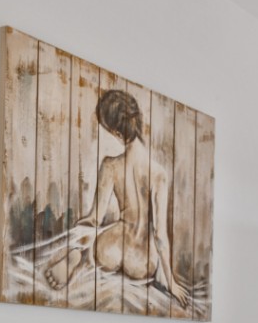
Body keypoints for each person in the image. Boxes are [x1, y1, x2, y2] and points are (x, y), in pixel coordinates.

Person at [44, 88, 189, 308]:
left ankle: (81, 254)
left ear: (116, 132)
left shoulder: (110, 165)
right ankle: (85, 256)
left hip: (110, 248)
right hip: (142, 260)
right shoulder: (158, 174)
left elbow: (95, 218)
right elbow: (160, 235)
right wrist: (171, 281)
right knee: (148, 255)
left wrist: (82, 234)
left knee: (95, 239)